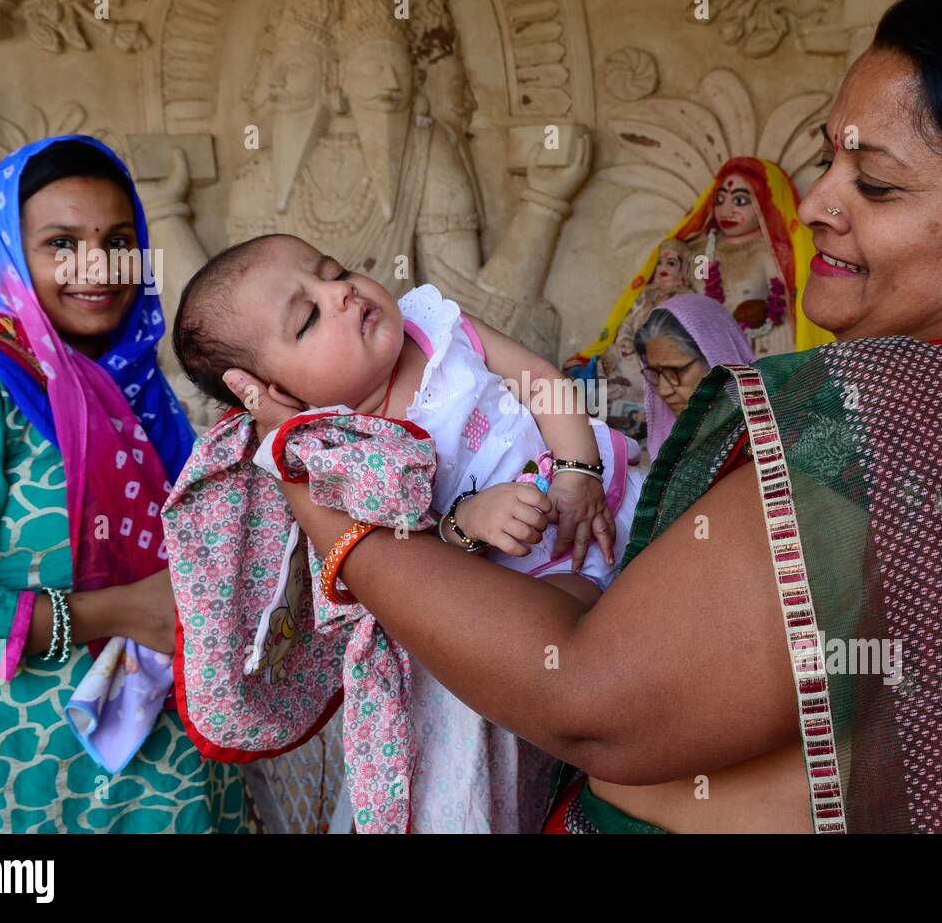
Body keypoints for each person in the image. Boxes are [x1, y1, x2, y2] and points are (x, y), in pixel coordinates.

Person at [227, 0, 942, 833]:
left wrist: (330, 506)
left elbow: (590, 699)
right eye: (830, 158)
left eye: (878, 184)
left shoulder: (900, 404)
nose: (813, 205)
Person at [170, 233, 643, 831]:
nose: (340, 292)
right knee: (579, 650)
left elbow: (540, 381)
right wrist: (463, 526)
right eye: (309, 316)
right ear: (275, 394)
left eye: (333, 270)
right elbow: (409, 559)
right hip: (523, 579)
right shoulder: (341, 448)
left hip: (594, 497)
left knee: (657, 577)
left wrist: (578, 472)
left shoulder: (433, 326)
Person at [0, 136, 250, 833]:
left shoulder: (140, 388)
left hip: (185, 790)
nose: (97, 268)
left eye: (118, 240)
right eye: (61, 243)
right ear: (9, 251)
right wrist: (117, 612)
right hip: (26, 798)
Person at [634, 293, 755, 459]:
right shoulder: (671, 448)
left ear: (717, 359)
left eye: (676, 371)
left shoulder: (766, 438)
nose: (663, 390)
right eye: (655, 373)